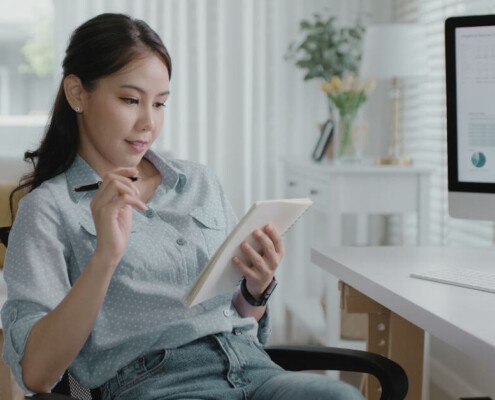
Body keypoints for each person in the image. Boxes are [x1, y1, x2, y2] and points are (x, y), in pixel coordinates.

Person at [1, 13, 364, 400]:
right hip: (155, 384)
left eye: (159, 104)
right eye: (130, 100)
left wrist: (255, 290)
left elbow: (237, 317)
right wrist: (105, 257)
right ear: (77, 93)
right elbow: (37, 373)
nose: (148, 122)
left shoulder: (200, 183)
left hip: (254, 370)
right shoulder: (49, 209)